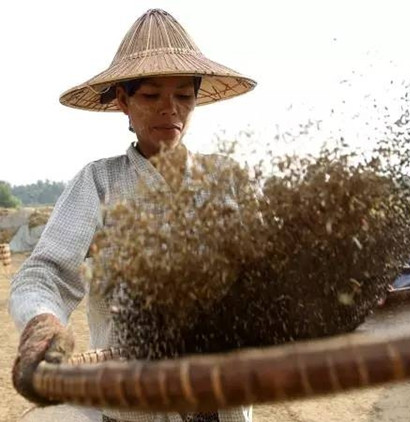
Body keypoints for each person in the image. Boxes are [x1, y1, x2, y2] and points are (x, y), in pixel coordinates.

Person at [9, 9, 255, 422]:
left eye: (182, 95)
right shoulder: (99, 184)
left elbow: (273, 270)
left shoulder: (228, 178)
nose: (169, 110)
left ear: (197, 97)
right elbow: (44, 274)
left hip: (220, 398)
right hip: (133, 404)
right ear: (123, 100)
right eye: (151, 95)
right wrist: (42, 322)